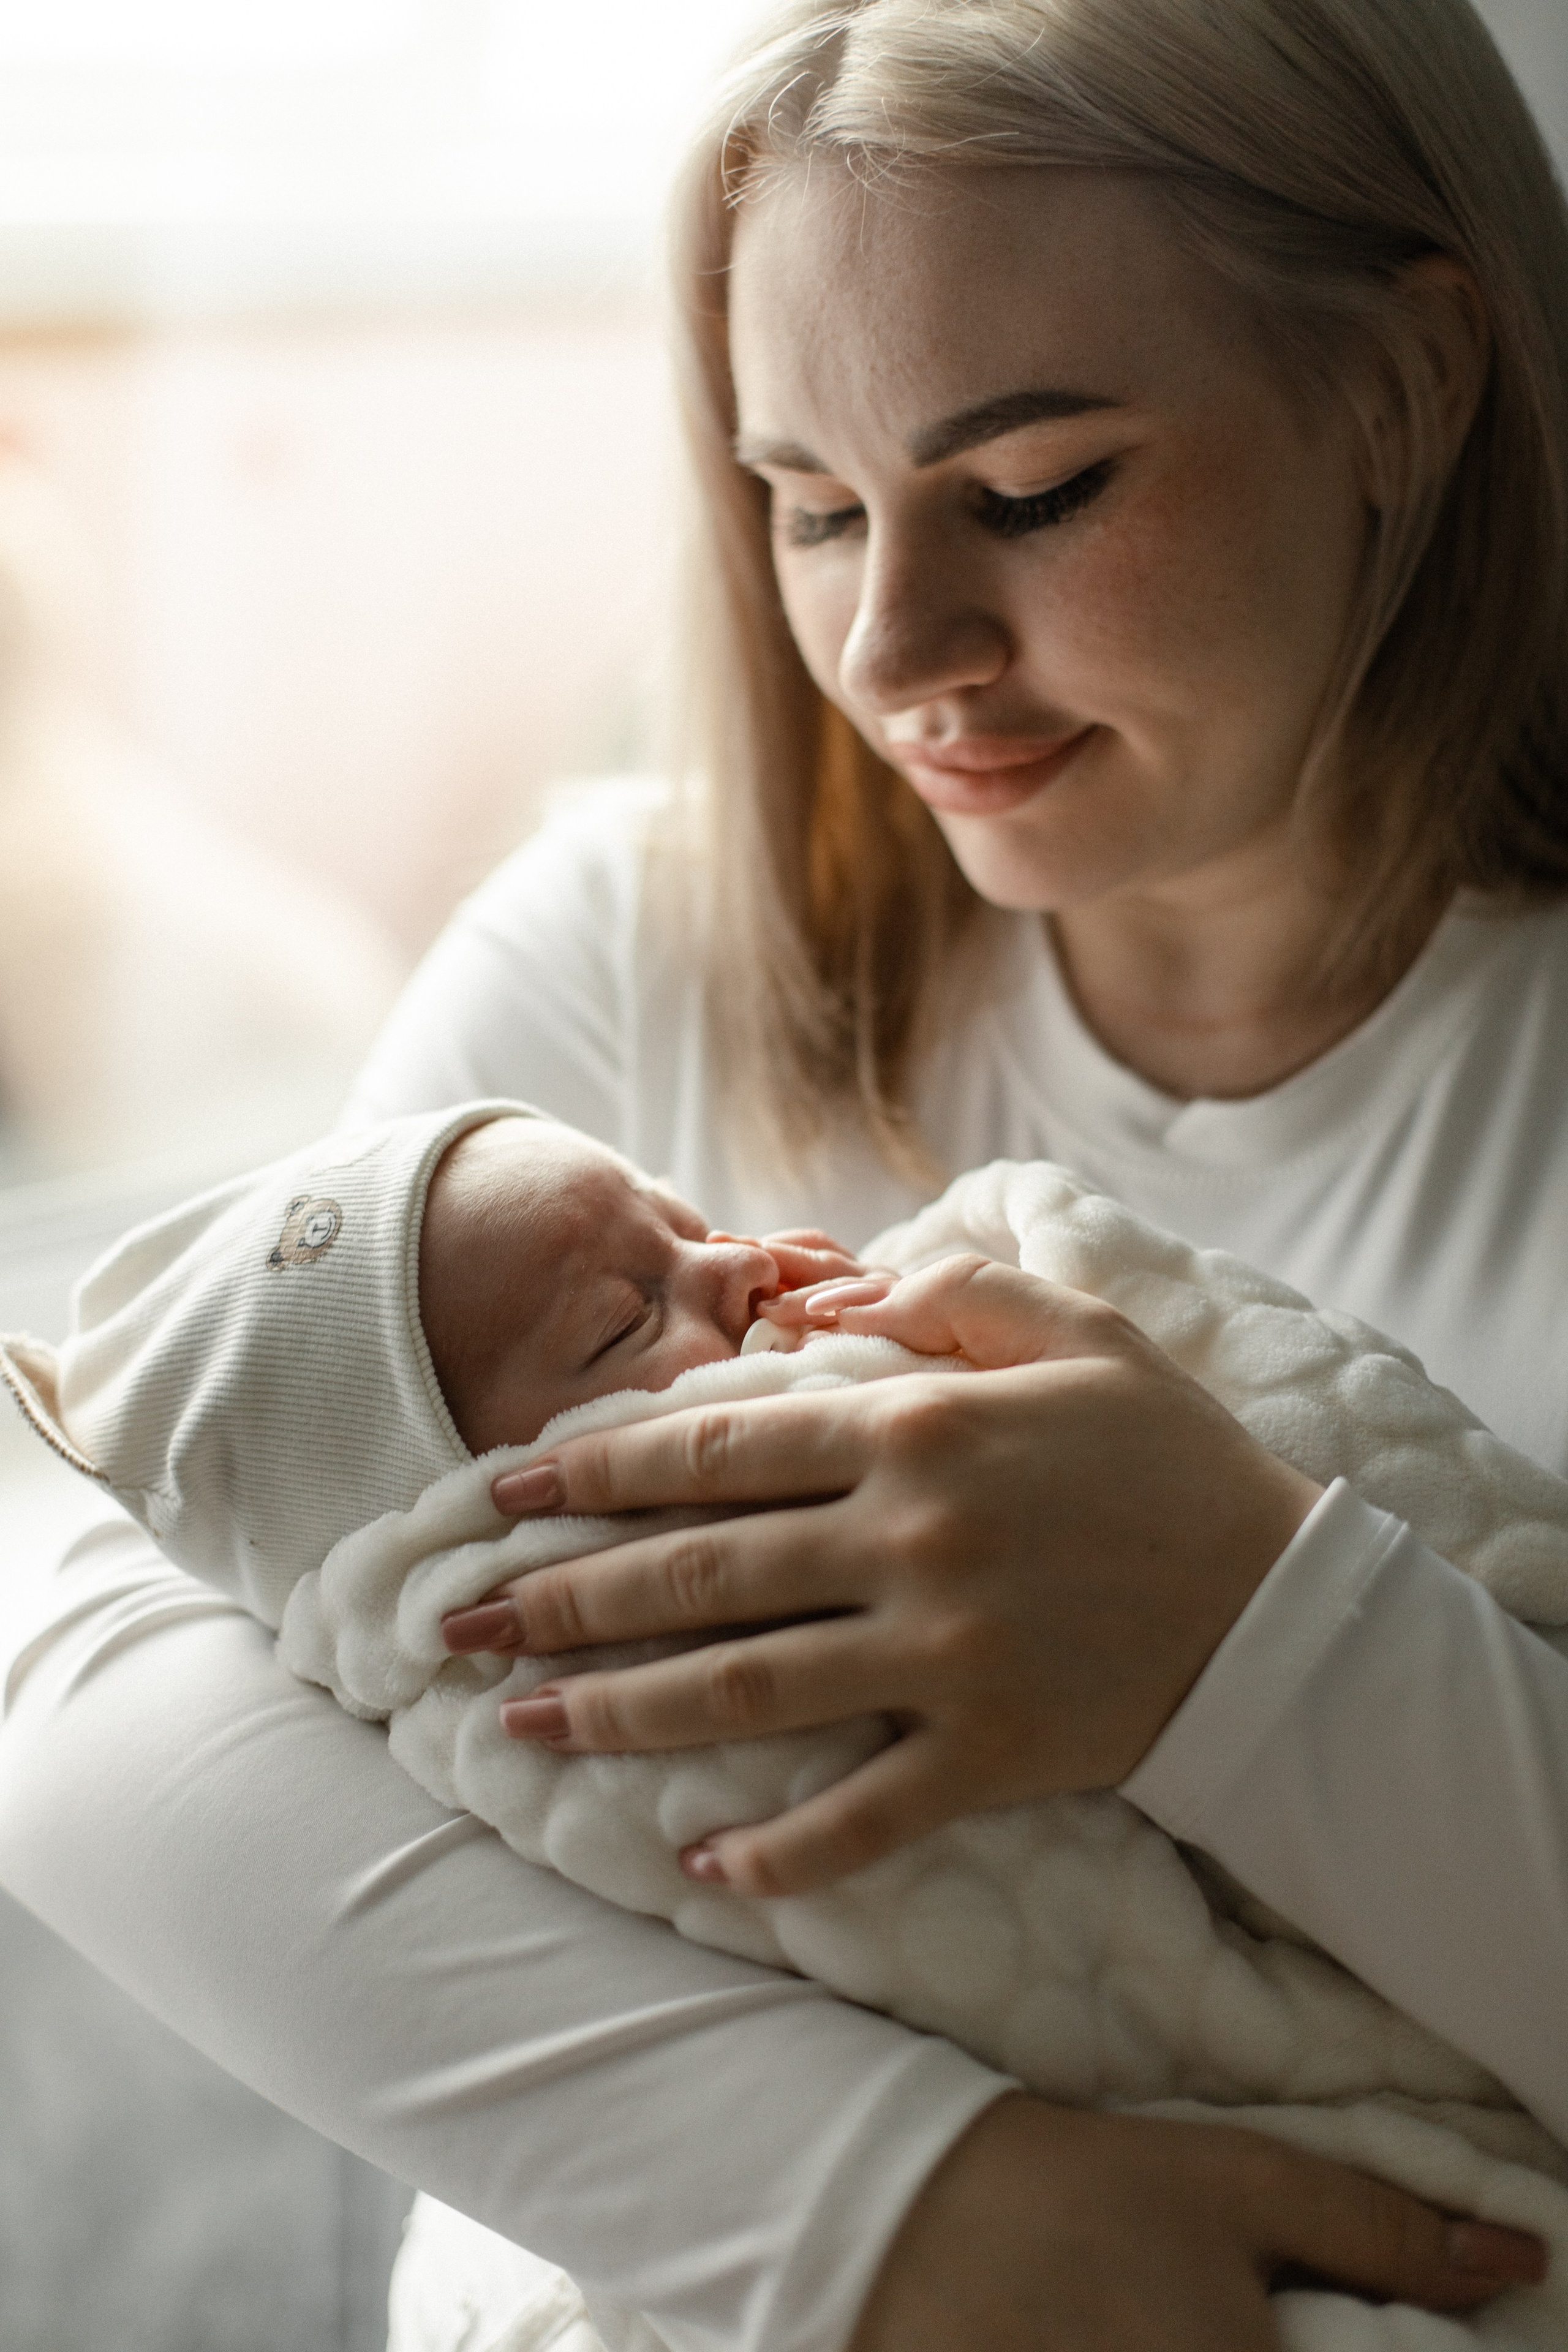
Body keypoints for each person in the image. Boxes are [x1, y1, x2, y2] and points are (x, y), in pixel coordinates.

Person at [4, 0, 1568, 2346]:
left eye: (1035, 490)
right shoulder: (630, 959)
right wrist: (883, 2208)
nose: (889, 643)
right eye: (811, 507)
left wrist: (1244, 1633)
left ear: (1407, 390)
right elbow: (101, 1659)